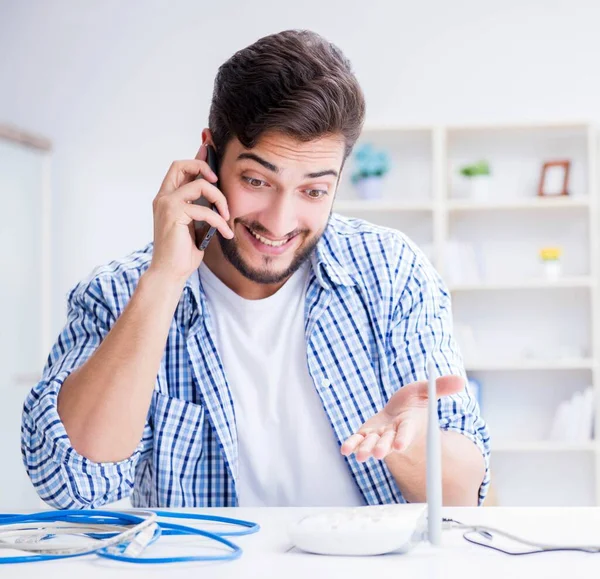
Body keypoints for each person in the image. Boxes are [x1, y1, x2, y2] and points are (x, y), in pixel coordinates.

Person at [21, 29, 490, 509]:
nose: (280, 222)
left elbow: (466, 499)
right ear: (208, 158)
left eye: (314, 190)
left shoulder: (390, 272)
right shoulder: (118, 292)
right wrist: (164, 282)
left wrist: (402, 445)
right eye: (256, 180)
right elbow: (70, 485)